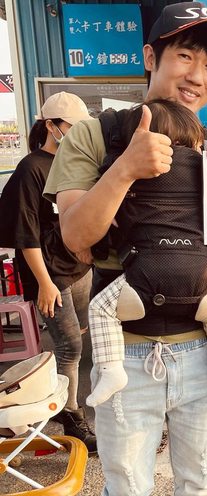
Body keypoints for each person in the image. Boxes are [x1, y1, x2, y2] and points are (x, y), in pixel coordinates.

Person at [44, 3, 207, 496]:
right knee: (127, 481)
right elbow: (75, 236)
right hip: (125, 349)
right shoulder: (95, 135)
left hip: (200, 346)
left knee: (200, 472)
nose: (198, 74)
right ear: (150, 57)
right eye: (185, 55)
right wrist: (127, 167)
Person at [86, 98, 207, 408]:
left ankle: (112, 370)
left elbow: (107, 213)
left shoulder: (127, 167)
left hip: (143, 274)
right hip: (203, 276)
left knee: (100, 310)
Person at [0, 91, 97, 453]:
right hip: (50, 274)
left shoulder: (76, 163)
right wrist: (43, 283)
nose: (77, 134)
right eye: (72, 127)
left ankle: (61, 402)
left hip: (79, 268)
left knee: (79, 339)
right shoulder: (32, 168)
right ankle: (71, 416)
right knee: (70, 346)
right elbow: (25, 234)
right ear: (51, 125)